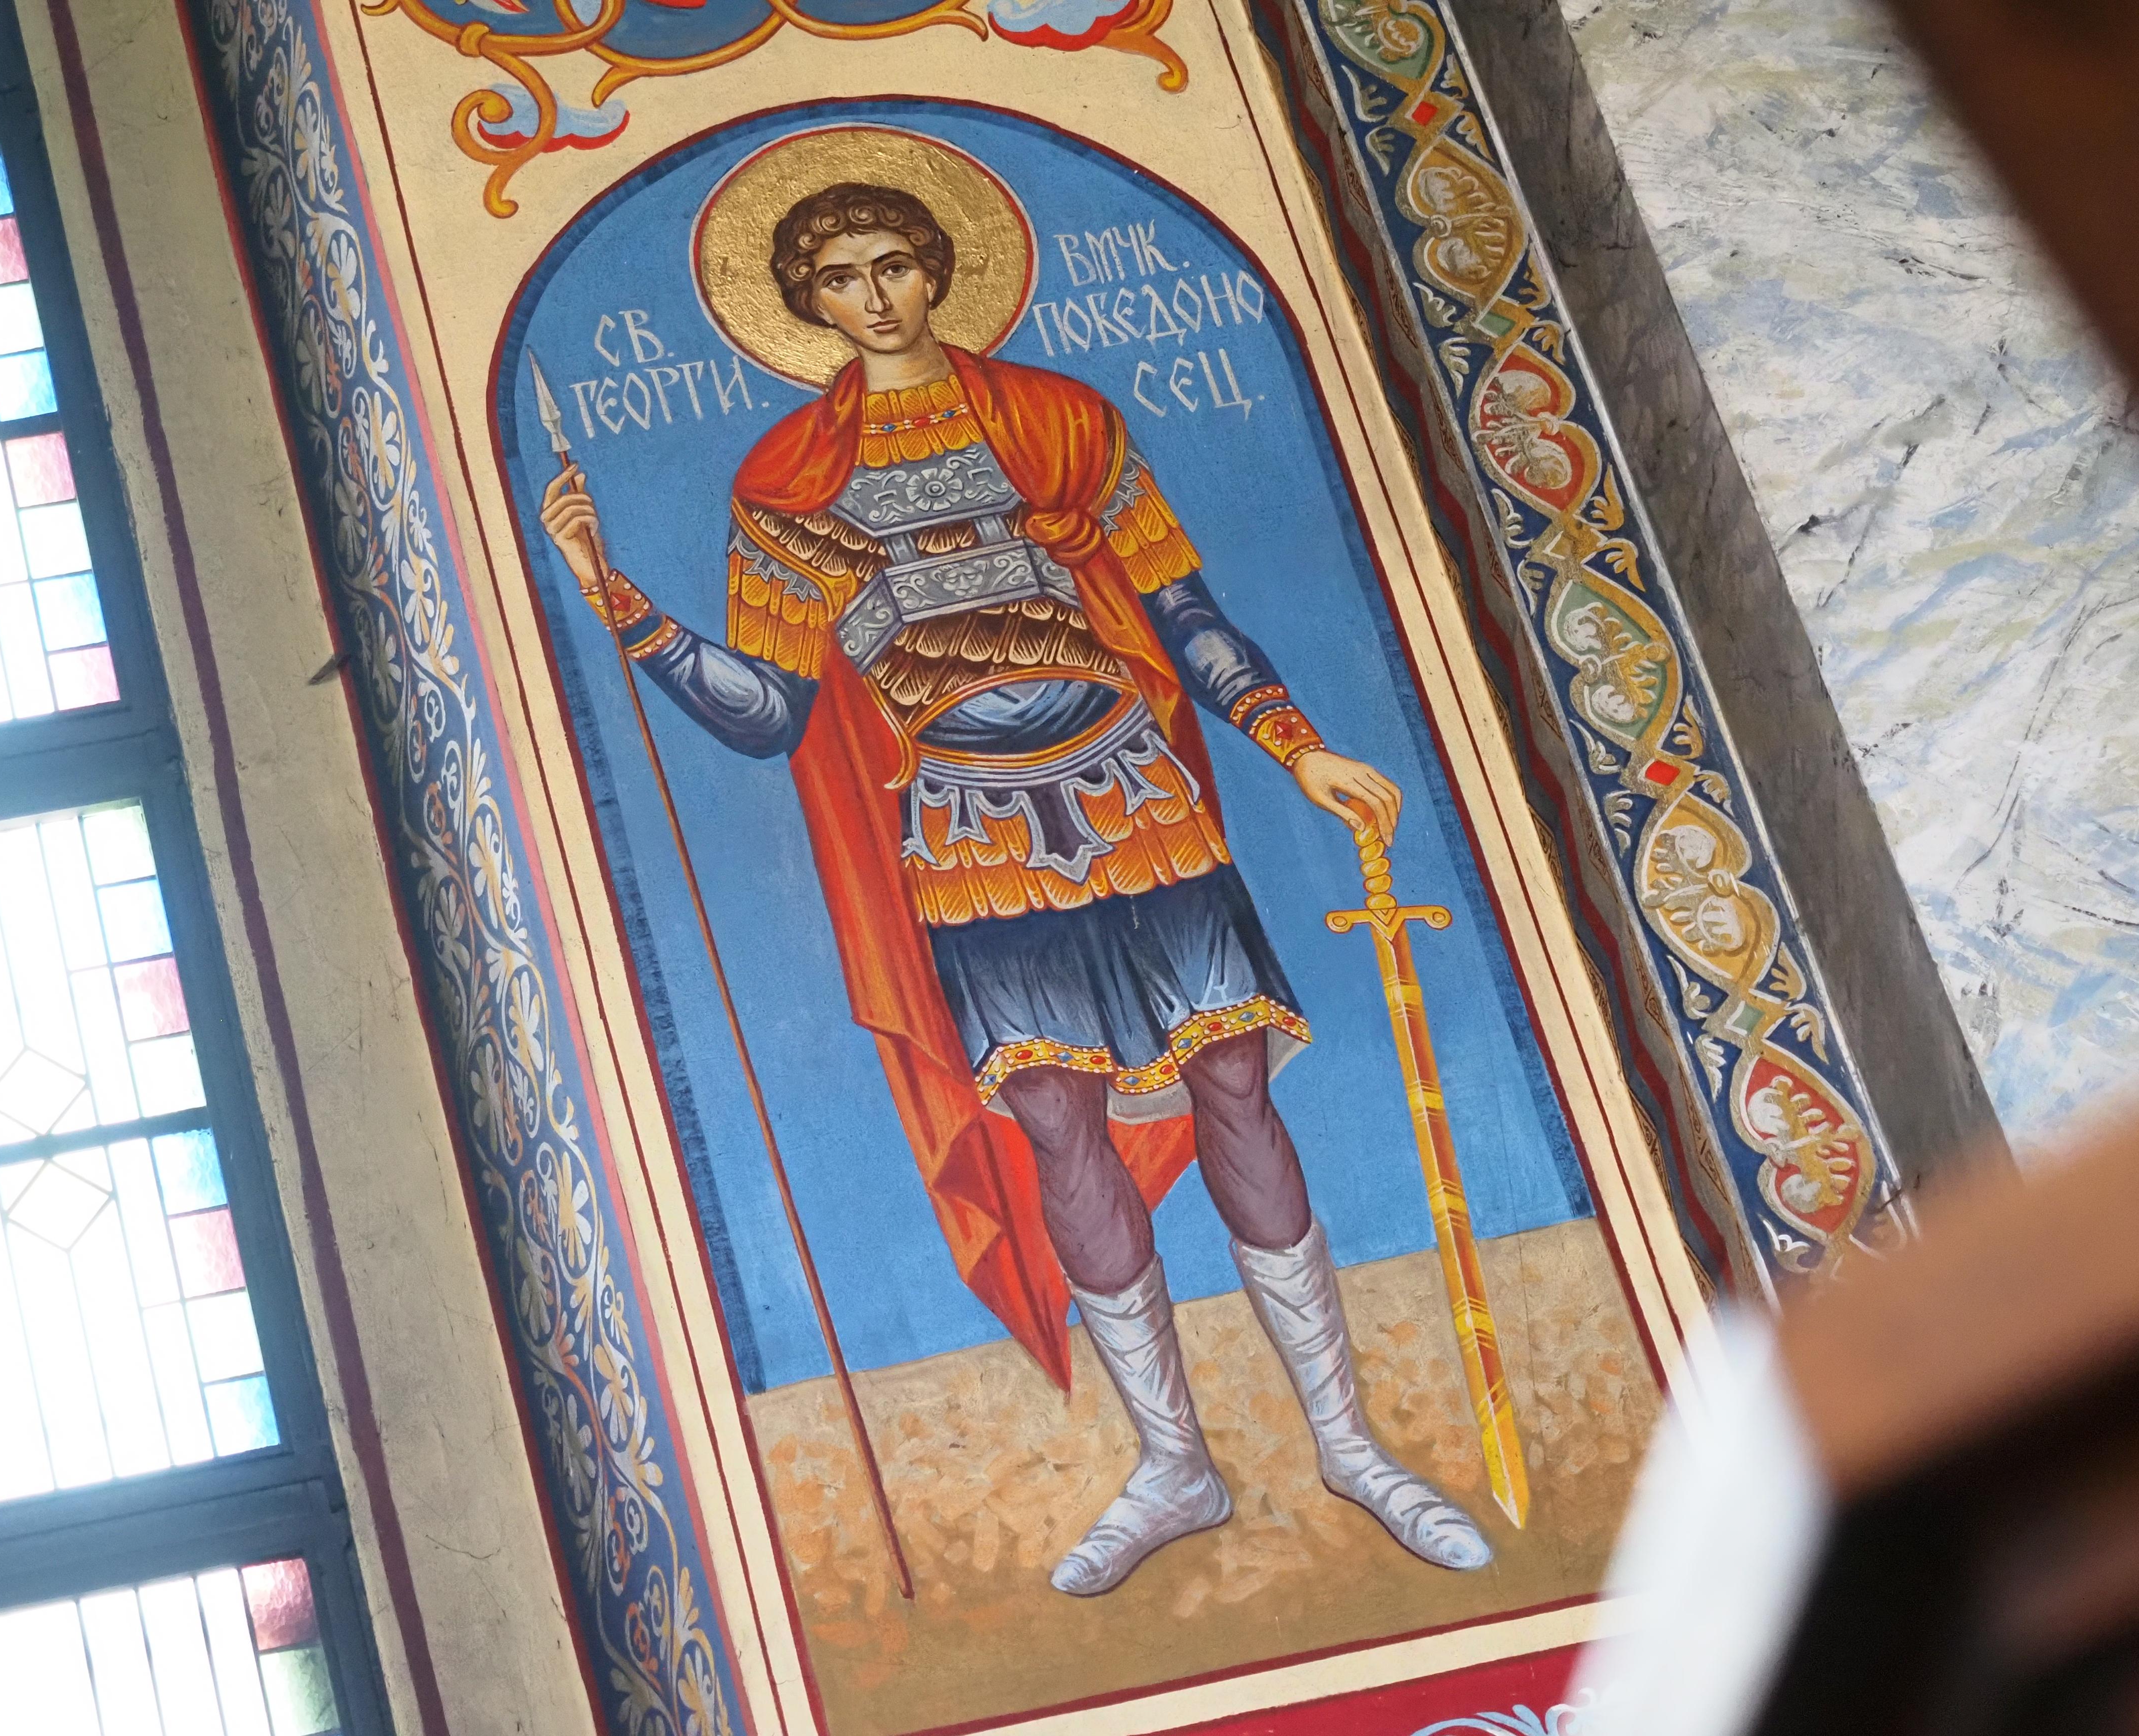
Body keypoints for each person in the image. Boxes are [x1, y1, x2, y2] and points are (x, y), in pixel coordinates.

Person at [539, 180, 1490, 1595]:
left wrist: (1300, 748)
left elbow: (1184, 613)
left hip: (1131, 792)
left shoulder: (1062, 425)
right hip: (970, 827)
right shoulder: (787, 484)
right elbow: (770, 715)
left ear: (937, 270)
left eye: (895, 264)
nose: (874, 297)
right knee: (1056, 1120)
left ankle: (1349, 1446)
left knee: (1234, 1082)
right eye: (841, 279)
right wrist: (616, 600)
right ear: (807, 306)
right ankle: (1175, 1463)